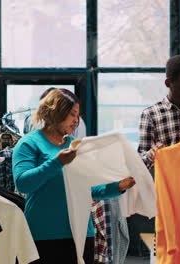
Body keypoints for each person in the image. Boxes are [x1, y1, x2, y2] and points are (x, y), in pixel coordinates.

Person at [13, 88, 136, 264]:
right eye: (72, 114)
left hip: (81, 233)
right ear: (56, 113)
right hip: (42, 233)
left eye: (77, 115)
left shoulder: (76, 145)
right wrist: (57, 162)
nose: (76, 121)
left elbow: (89, 189)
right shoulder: (29, 143)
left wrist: (118, 187)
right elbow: (23, 183)